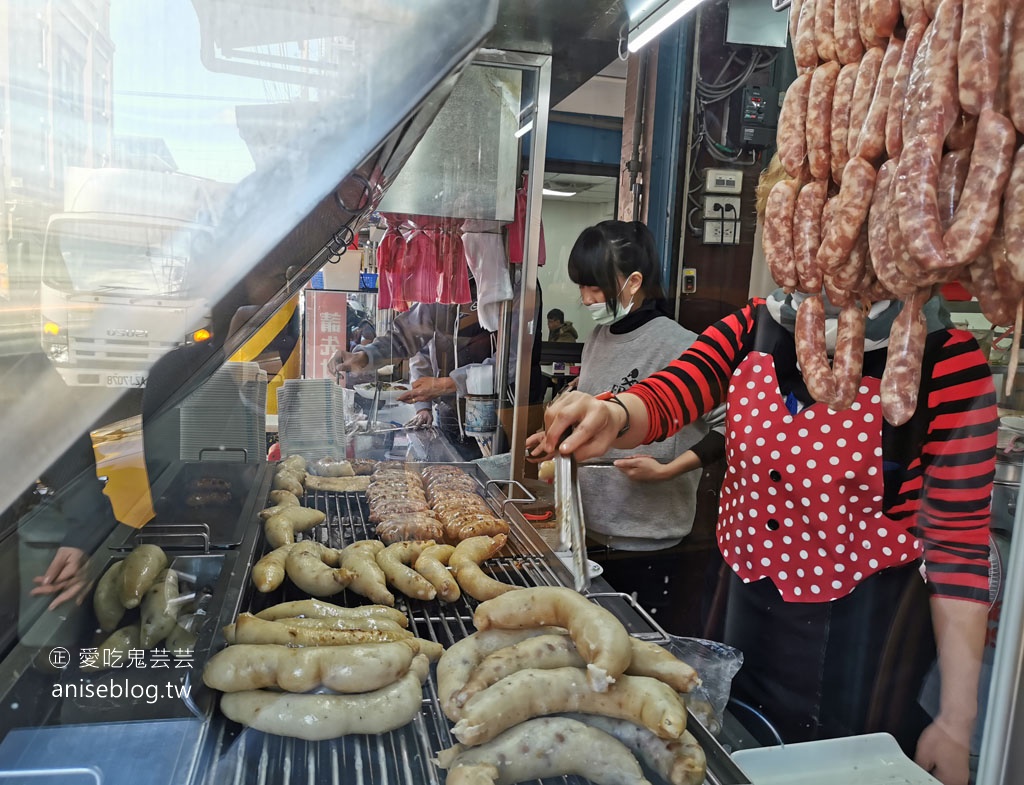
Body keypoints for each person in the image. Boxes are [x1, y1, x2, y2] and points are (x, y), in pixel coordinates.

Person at [533, 289, 995, 785]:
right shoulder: (756, 323)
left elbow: (958, 553)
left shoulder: (948, 362)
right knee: (723, 752)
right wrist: (616, 413)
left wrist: (956, 720)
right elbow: (673, 391)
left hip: (861, 641)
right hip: (737, 606)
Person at [527, 221, 725, 635]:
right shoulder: (597, 338)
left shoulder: (683, 345)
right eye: (581, 287)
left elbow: (730, 428)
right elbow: (593, 412)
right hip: (591, 530)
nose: (585, 299)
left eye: (594, 287)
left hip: (649, 538)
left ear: (633, 282)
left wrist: (669, 469)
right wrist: (554, 438)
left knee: (639, 646)